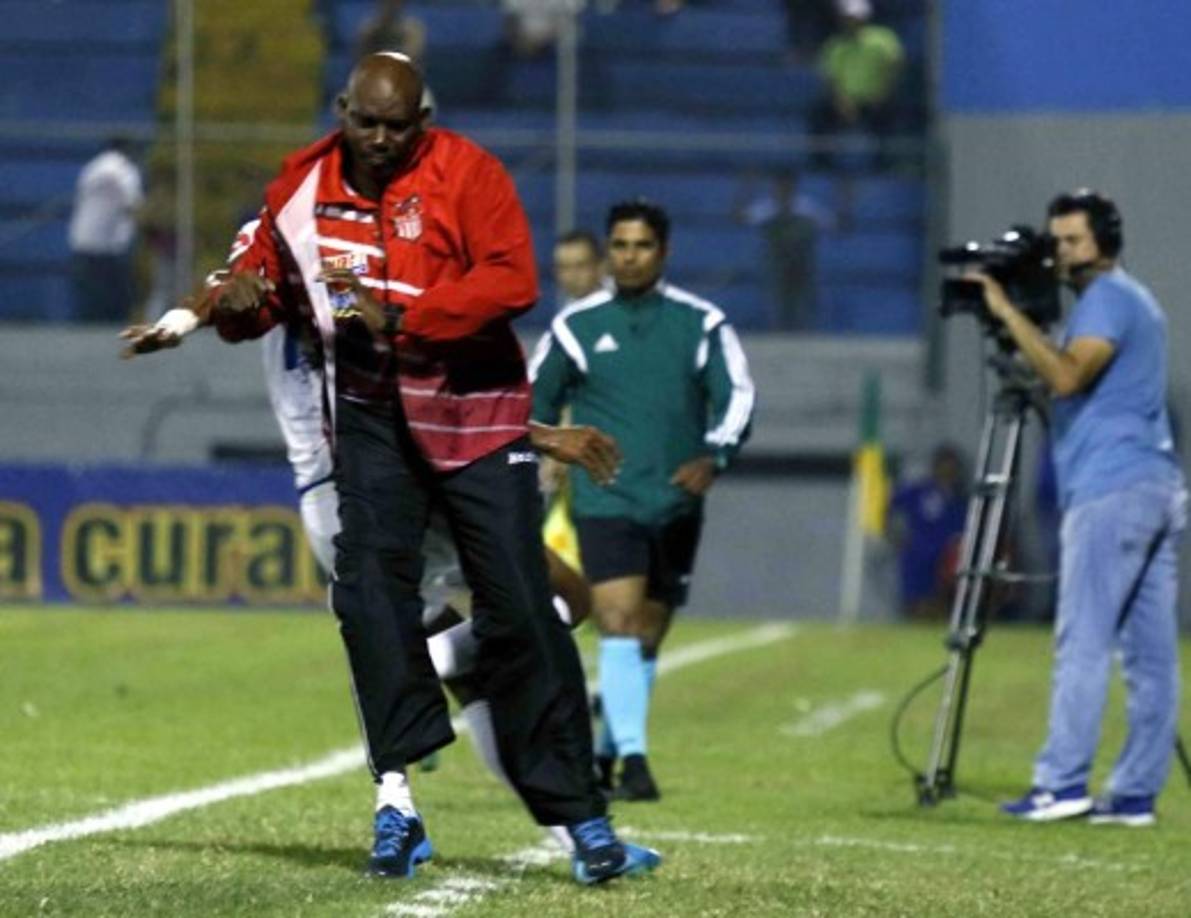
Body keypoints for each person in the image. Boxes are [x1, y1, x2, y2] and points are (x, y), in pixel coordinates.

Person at [120, 52, 659, 884]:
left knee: (531, 611)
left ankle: (578, 815)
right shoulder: (299, 191)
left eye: (395, 126)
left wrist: (409, 317)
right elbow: (251, 282)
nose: (377, 139)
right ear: (341, 110)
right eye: (364, 122)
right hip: (365, 431)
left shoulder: (469, 175)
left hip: (472, 420)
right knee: (371, 598)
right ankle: (398, 802)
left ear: (423, 121)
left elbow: (510, 280)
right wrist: (208, 314)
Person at [972, 190, 1186, 826]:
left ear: (1105, 240)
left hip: (1113, 490)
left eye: (1072, 240)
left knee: (1083, 642)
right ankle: (1134, 793)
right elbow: (1070, 382)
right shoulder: (1127, 300)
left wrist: (1006, 311)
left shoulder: (1109, 299)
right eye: (1056, 240)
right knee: (1150, 654)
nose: (1060, 251)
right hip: (1150, 484)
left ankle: (1061, 783)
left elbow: (1066, 378)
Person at [530, 198, 756, 800]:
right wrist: (549, 451)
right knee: (618, 618)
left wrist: (716, 456)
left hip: (677, 501)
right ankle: (634, 759)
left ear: (665, 252)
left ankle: (607, 752)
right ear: (609, 252)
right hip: (605, 497)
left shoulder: (700, 323)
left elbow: (737, 397)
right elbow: (532, 401)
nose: (629, 257)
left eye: (642, 246)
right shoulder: (576, 326)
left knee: (649, 633)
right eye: (621, 246)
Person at [734, 168, 835, 331]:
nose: (784, 190)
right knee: (777, 301)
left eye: (787, 186)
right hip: (776, 265)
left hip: (802, 265)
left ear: (794, 187)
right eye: (780, 186)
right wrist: (746, 189)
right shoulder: (766, 208)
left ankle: (805, 332)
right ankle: (778, 331)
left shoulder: (806, 207)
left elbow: (834, 224)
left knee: (804, 303)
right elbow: (739, 218)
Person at [808, 0, 903, 169]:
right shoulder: (835, 45)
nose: (850, 22)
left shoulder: (883, 39)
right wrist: (841, 101)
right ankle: (822, 164)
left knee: (888, 119)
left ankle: (885, 165)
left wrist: (882, 93)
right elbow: (830, 79)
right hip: (845, 103)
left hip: (876, 100)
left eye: (854, 17)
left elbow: (894, 68)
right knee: (818, 116)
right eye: (847, 18)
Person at [887, 444, 967, 620]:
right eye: (944, 465)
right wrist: (894, 534)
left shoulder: (961, 499)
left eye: (952, 467)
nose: (948, 471)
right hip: (918, 556)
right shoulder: (919, 491)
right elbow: (890, 506)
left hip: (946, 559)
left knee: (942, 603)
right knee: (915, 602)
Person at [67, 136, 143, 322]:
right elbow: (133, 204)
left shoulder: (92, 168)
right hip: (106, 245)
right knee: (113, 293)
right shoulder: (122, 169)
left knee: (89, 292)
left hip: (83, 239)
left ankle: (91, 323)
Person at [356, 0, 427, 63]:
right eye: (386, 2)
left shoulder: (413, 29)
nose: (390, 5)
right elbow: (359, 59)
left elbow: (412, 58)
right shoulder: (369, 27)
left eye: (394, 2)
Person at [553, 230, 605, 308]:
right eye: (564, 267)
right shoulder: (564, 316)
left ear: (599, 267)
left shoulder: (621, 309)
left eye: (580, 266)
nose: (572, 276)